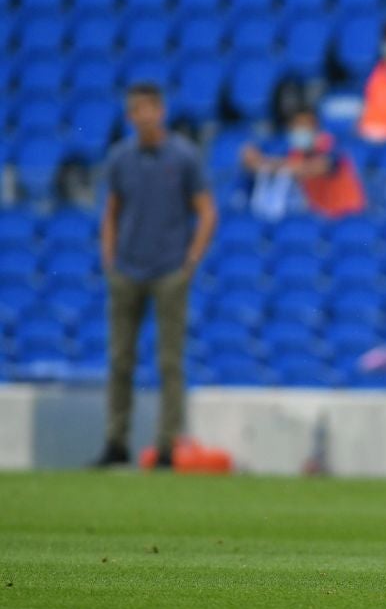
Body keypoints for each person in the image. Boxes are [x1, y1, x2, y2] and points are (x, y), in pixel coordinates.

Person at [93, 82, 217, 469]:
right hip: (127, 269)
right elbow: (111, 211)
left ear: (160, 111)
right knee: (120, 360)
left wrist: (190, 261)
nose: (143, 117)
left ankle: (167, 446)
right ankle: (116, 442)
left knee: (169, 362)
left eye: (149, 108)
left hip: (168, 271)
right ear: (130, 116)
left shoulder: (182, 157)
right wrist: (109, 257)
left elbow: (207, 210)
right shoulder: (120, 158)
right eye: (136, 110)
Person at [241, 109, 367, 219]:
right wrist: (255, 160)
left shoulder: (333, 148)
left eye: (303, 126)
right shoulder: (297, 153)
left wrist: (264, 163)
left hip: (348, 216)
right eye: (295, 127)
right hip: (320, 219)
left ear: (315, 129)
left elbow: (310, 168)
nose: (298, 131)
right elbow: (281, 164)